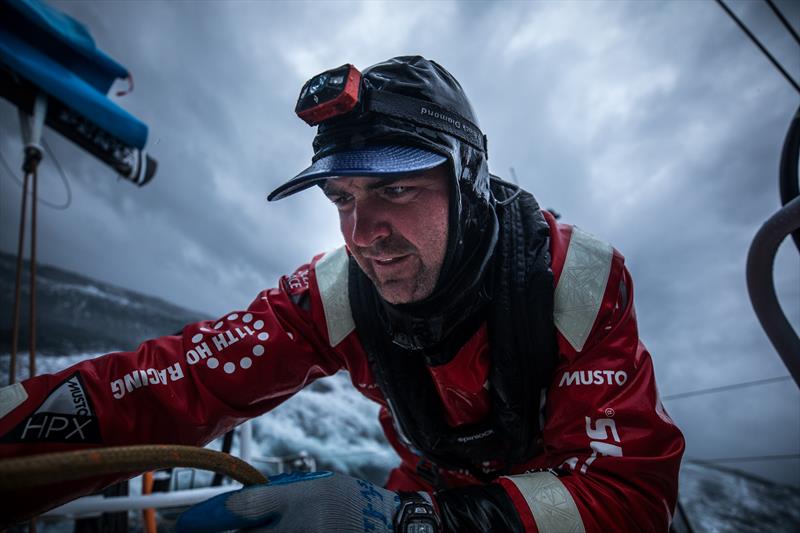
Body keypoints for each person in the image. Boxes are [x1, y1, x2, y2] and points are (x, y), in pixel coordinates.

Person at [0, 56, 684, 532]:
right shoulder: (337, 294)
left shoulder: (574, 279)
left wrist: (412, 527)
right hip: (432, 498)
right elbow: (179, 382)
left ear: (468, 182)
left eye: (394, 189)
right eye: (341, 197)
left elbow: (630, 496)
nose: (363, 234)